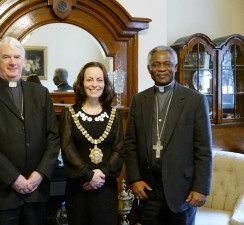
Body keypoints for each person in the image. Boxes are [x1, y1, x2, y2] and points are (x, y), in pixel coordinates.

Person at [0, 36, 60, 225]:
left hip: (36, 194)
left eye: (17, 57)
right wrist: (14, 179)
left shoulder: (41, 93)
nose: (13, 62)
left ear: (23, 61)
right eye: (6, 57)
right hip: (0, 195)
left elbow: (53, 137)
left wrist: (39, 174)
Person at [124, 45, 212, 225]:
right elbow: (130, 143)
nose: (161, 69)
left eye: (167, 64)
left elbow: (203, 149)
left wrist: (201, 188)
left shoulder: (194, 100)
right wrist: (134, 179)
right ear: (149, 69)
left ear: (175, 66)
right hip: (148, 189)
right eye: (156, 64)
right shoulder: (139, 100)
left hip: (183, 191)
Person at [59, 61, 125, 225]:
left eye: (99, 80)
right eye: (89, 80)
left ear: (105, 83)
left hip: (105, 186)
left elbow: (119, 148)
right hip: (78, 188)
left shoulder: (114, 114)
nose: (94, 84)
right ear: (81, 83)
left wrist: (100, 174)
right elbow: (67, 148)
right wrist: (89, 175)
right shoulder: (69, 113)